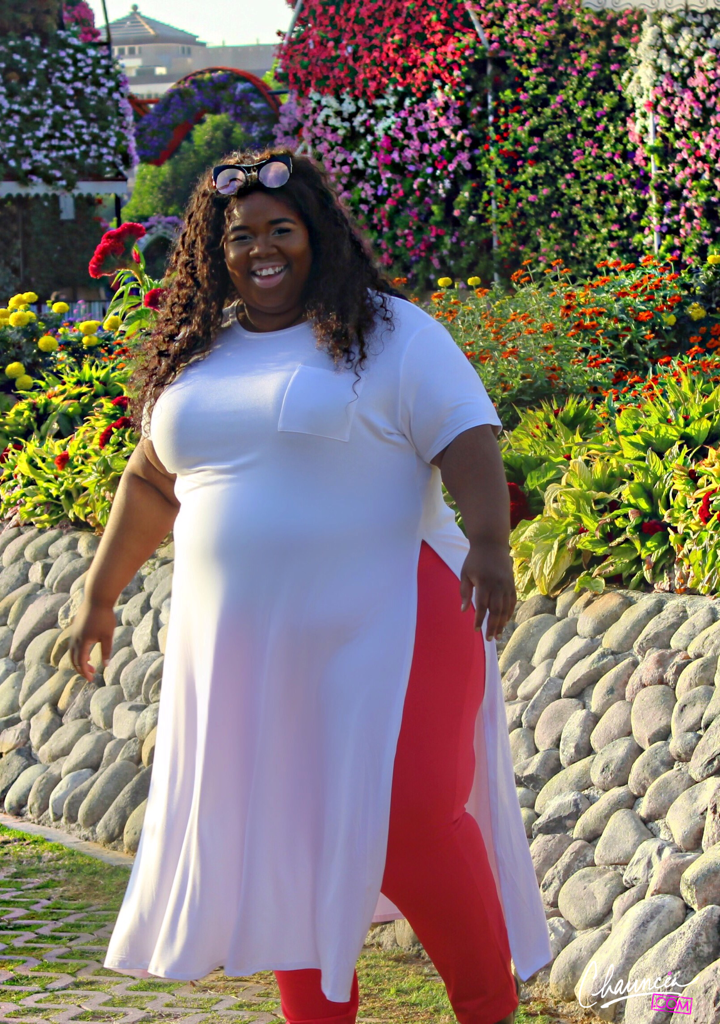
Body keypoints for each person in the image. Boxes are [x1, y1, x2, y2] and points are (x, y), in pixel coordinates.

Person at [69, 148, 552, 1024]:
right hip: (254, 652)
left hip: (396, 617)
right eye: (239, 235)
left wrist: (488, 542)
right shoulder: (197, 356)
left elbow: (465, 433)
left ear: (316, 235)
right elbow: (150, 482)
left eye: (280, 229)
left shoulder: (392, 333)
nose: (261, 249)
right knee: (285, 838)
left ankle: (488, 1009)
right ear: (213, 250)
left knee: (412, 818)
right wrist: (99, 596)